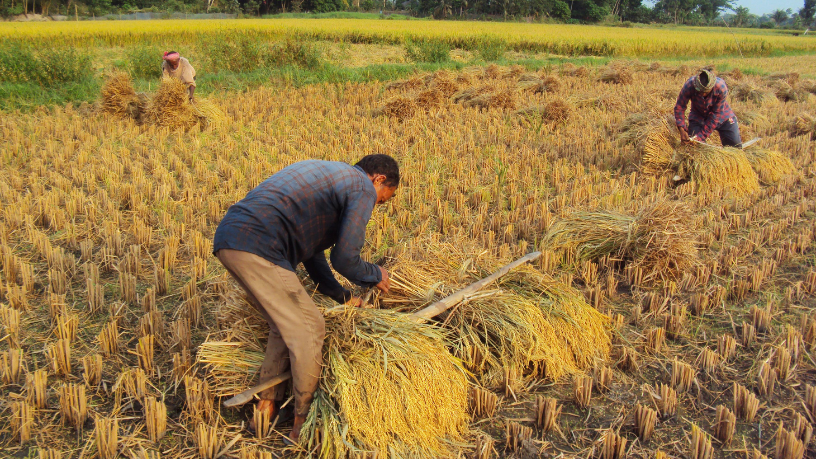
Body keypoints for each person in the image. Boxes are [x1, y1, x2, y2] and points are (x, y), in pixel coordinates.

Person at [212, 155, 399, 444]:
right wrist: (375, 273)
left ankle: (266, 408)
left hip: (231, 238)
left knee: (284, 324)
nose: (376, 206)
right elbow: (345, 258)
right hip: (261, 242)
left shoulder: (331, 178)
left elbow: (312, 254)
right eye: (383, 200)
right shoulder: (362, 186)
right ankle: (303, 422)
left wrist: (342, 295)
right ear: (379, 179)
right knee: (311, 326)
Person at [674, 68, 742, 147]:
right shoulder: (689, 85)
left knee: (735, 146)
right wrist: (681, 128)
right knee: (694, 147)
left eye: (705, 92)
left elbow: (716, 114)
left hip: (722, 115)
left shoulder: (721, 88)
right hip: (698, 116)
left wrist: (701, 136)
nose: (702, 95)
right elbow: (680, 106)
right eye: (700, 92)